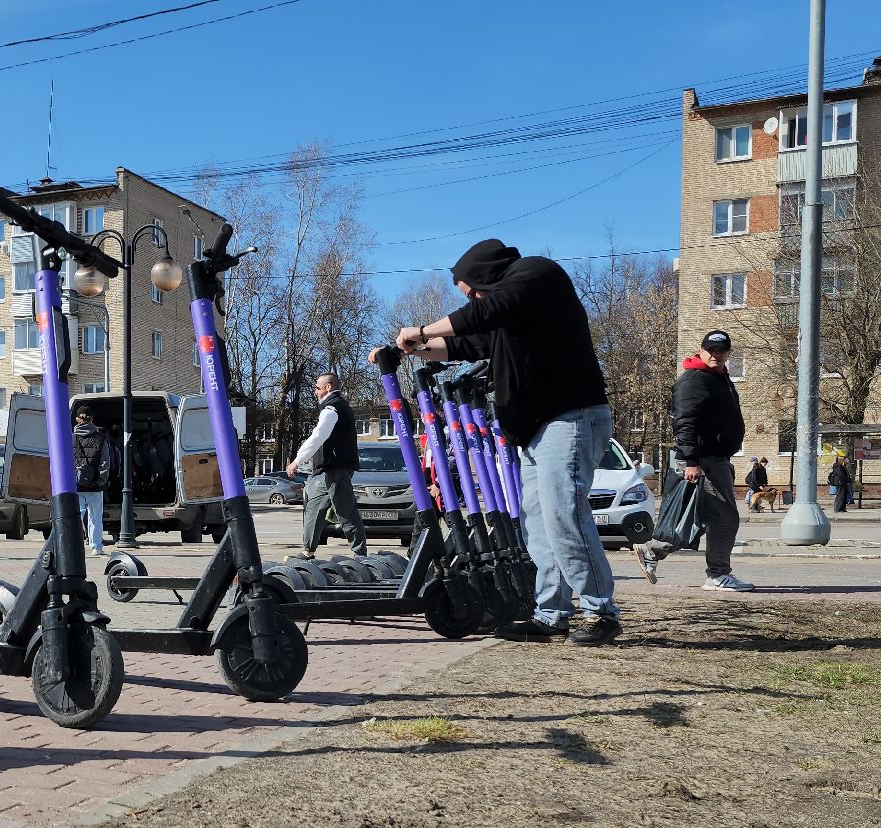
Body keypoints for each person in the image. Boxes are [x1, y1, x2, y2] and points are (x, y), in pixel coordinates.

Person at [397, 238, 620, 646]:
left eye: (473, 292)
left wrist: (423, 330)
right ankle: (552, 613)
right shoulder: (513, 317)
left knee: (564, 515)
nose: (474, 300)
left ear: (487, 274)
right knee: (538, 524)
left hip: (569, 417)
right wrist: (416, 349)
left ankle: (600, 611)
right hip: (536, 430)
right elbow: (468, 343)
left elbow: (486, 311)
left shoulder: (537, 275)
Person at [634, 331, 753, 592]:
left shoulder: (719, 378)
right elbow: (684, 422)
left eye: (721, 350)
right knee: (724, 518)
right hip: (703, 460)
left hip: (713, 458)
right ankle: (718, 575)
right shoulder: (694, 380)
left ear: (729, 353)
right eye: (711, 350)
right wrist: (691, 461)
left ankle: (652, 551)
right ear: (701, 351)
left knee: (693, 517)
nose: (716, 355)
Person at [286, 372, 367, 558]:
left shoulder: (332, 408)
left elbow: (318, 436)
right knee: (313, 507)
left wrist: (297, 461)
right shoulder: (335, 406)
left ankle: (360, 554)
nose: (315, 391)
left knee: (345, 511)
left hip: (336, 469)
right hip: (326, 470)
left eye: (317, 387)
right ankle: (308, 551)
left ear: (328, 387)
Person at [71, 406, 109, 556]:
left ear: (77, 419)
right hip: (94, 484)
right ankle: (96, 547)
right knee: (95, 517)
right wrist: (101, 480)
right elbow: (105, 461)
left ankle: (74, 546)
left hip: (75, 484)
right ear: (92, 419)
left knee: (75, 516)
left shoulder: (70, 437)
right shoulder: (100, 438)